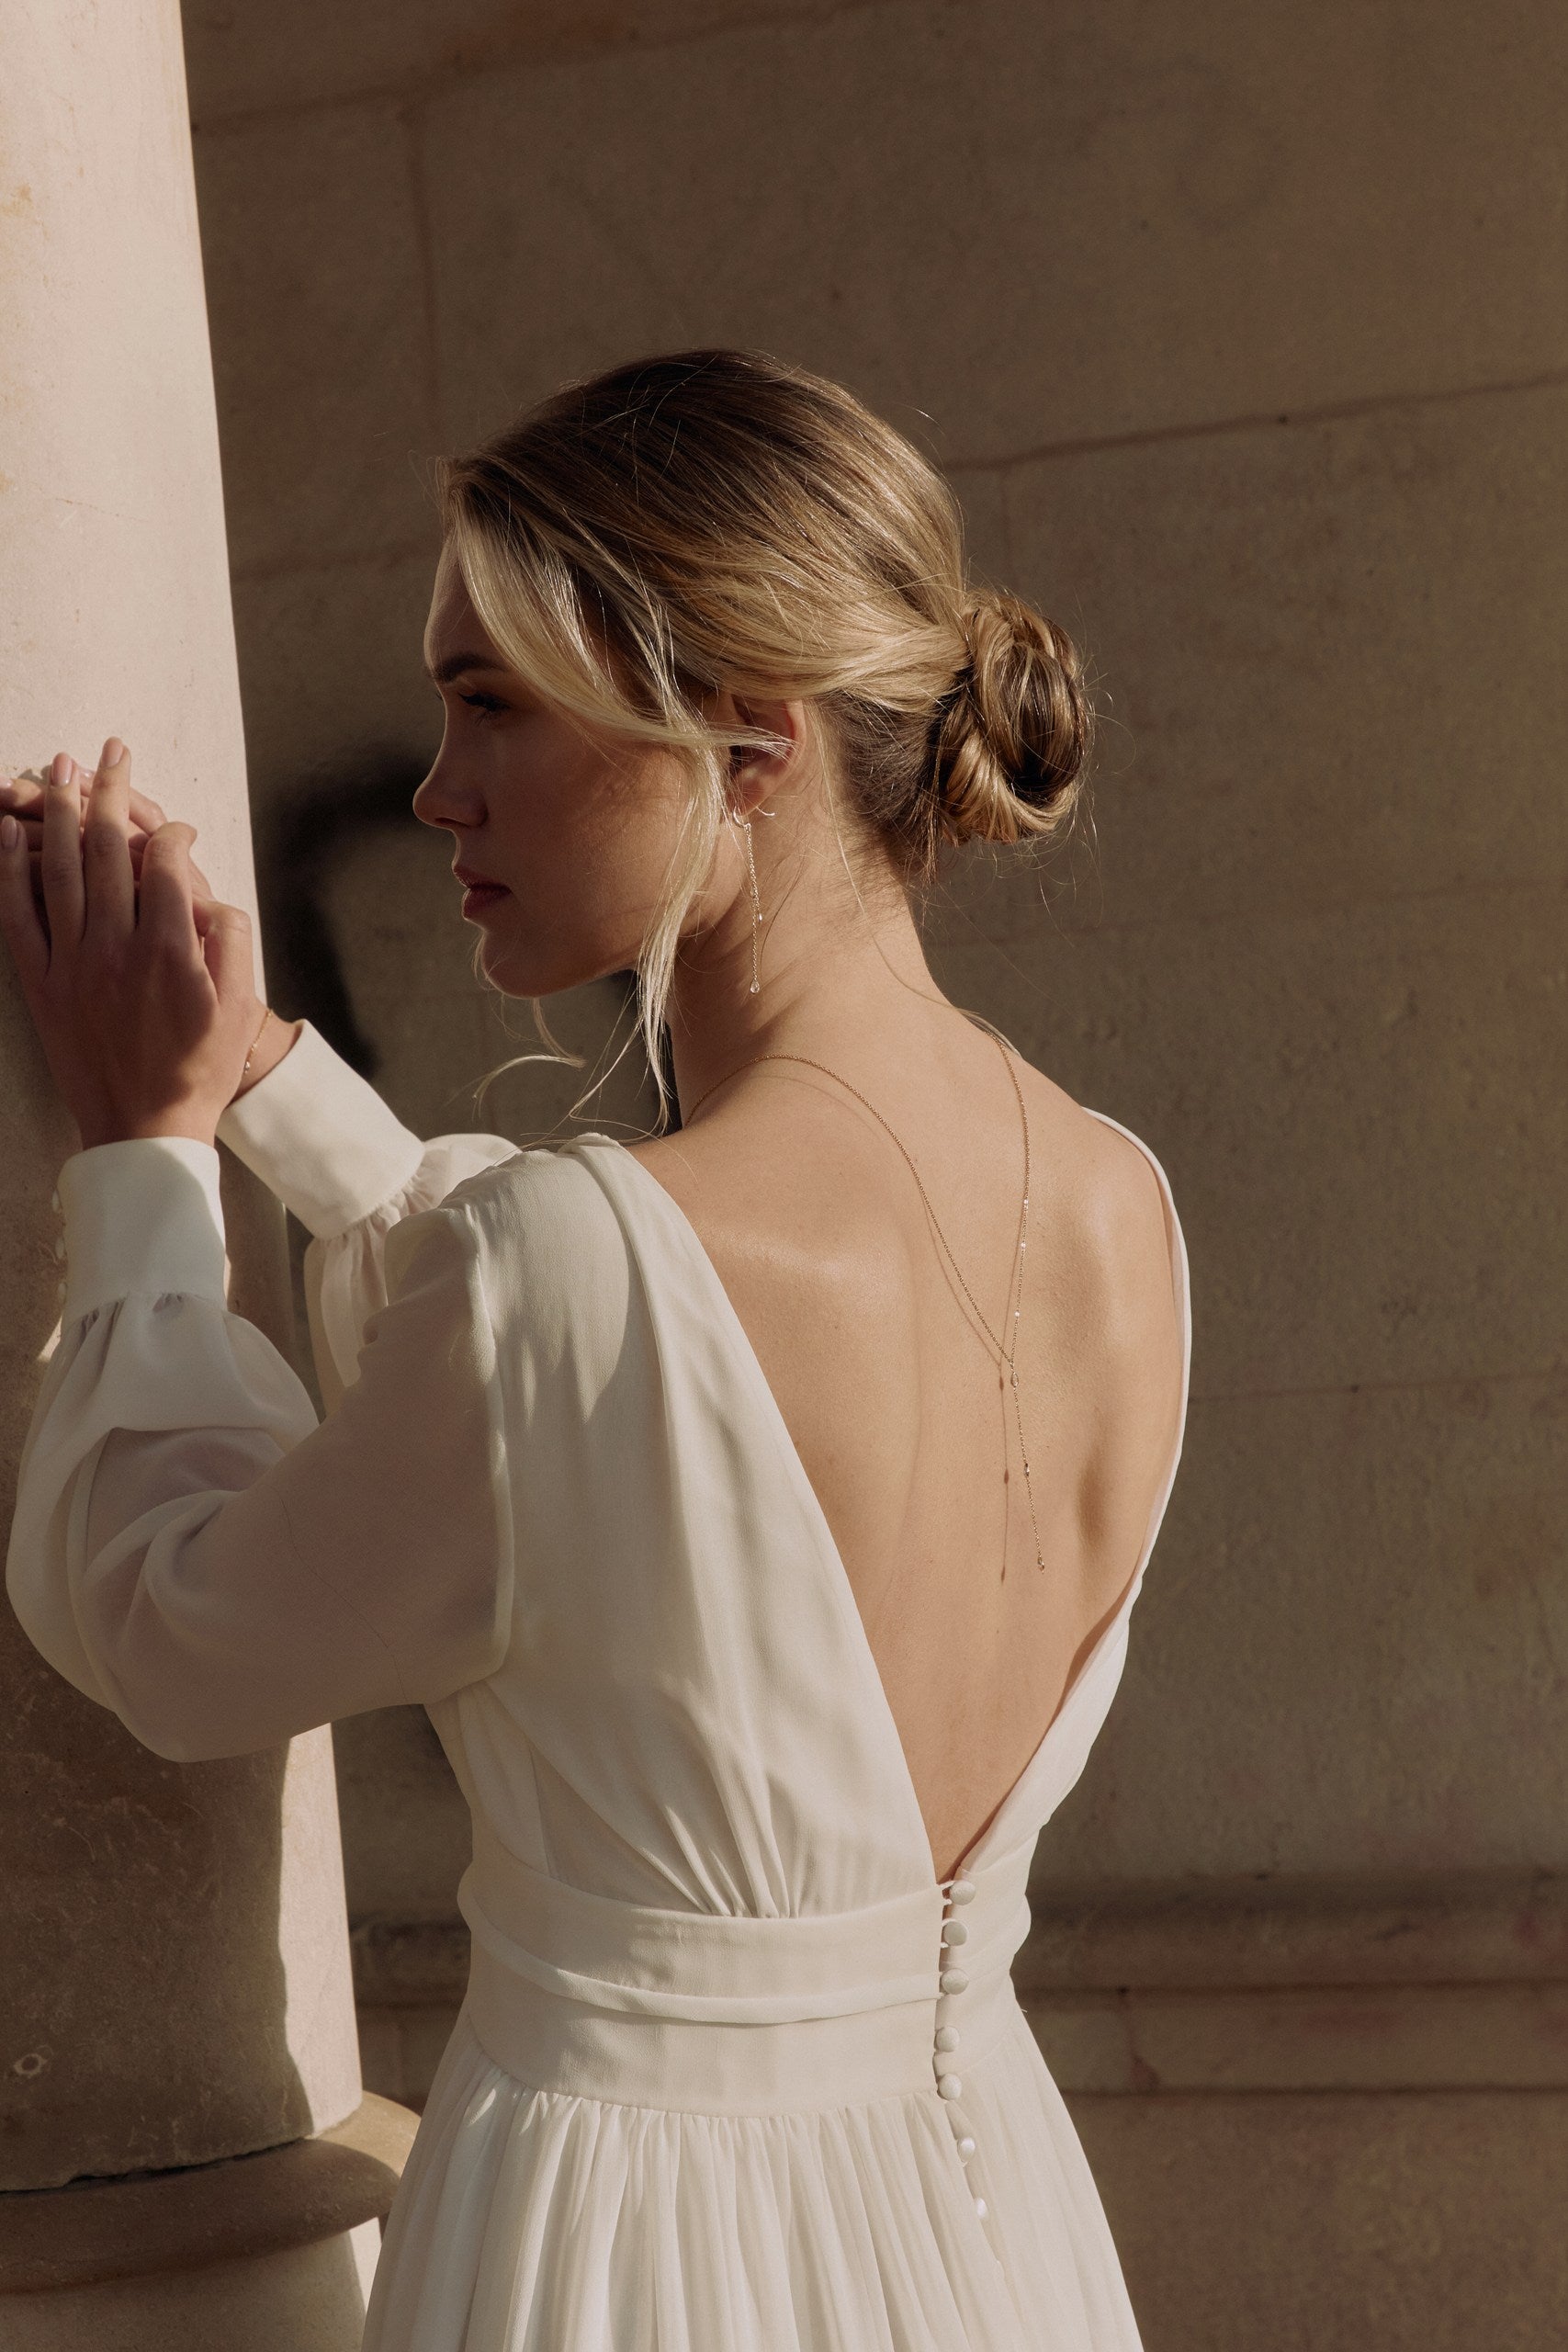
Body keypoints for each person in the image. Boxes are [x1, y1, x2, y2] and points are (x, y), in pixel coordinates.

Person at [0, 350, 1189, 2352]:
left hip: (640, 2258)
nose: (435, 785)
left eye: (491, 702)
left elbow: (180, 1628)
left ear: (743, 734)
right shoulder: (1118, 1206)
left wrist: (141, 1168)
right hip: (988, 2224)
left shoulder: (576, 1269)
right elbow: (610, 1375)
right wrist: (273, 1083)